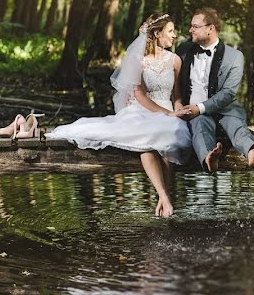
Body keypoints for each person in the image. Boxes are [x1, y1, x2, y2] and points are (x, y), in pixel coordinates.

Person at [46, 13, 191, 217]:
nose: (175, 35)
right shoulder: (138, 60)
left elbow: (176, 95)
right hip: (142, 110)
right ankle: (165, 198)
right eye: (171, 31)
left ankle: (163, 198)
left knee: (169, 140)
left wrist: (179, 110)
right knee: (146, 141)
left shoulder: (175, 61)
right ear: (157, 34)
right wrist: (166, 113)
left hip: (167, 109)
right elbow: (139, 95)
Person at [173, 7, 254, 172]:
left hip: (225, 109)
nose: (190, 30)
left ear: (210, 28)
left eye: (195, 26)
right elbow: (174, 84)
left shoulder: (234, 57)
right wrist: (183, 107)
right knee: (200, 125)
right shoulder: (183, 50)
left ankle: (252, 152)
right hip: (193, 112)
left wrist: (200, 108)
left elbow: (228, 93)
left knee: (235, 124)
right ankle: (209, 158)